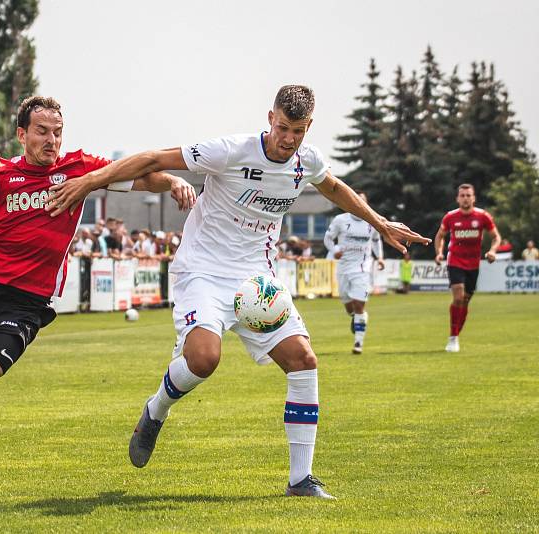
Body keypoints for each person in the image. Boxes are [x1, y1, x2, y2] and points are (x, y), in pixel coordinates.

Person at [46, 85, 429, 499]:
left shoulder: (307, 160)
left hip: (255, 280)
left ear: (308, 128)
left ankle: (301, 480)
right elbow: (153, 159)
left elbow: (333, 187)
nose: (288, 139)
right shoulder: (229, 151)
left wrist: (380, 223)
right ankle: (155, 410)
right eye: (282, 127)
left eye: (297, 131)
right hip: (203, 273)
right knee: (204, 359)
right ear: (270, 118)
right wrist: (89, 182)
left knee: (303, 361)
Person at [0, 95, 196, 497]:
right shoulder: (0, 171)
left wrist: (173, 180)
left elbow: (137, 176)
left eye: (58, 132)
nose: (52, 140)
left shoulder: (79, 168)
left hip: (26, 302)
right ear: (22, 134)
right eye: (42, 132)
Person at [434, 183, 500, 353]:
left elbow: (496, 237)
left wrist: (492, 251)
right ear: (457, 198)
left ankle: (456, 334)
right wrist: (439, 252)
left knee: (465, 300)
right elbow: (440, 236)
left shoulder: (482, 216)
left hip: (473, 264)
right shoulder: (450, 217)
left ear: (473, 198)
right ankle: (453, 337)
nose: (465, 198)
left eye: (468, 195)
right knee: (458, 296)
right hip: (454, 261)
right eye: (462, 195)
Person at [323, 192, 384, 354]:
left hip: (363, 267)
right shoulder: (340, 220)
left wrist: (380, 258)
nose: (359, 205)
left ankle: (358, 343)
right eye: (356, 201)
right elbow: (328, 238)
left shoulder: (373, 221)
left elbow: (377, 241)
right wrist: (334, 249)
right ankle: (357, 317)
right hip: (343, 267)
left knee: (359, 304)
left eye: (362, 202)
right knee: (349, 305)